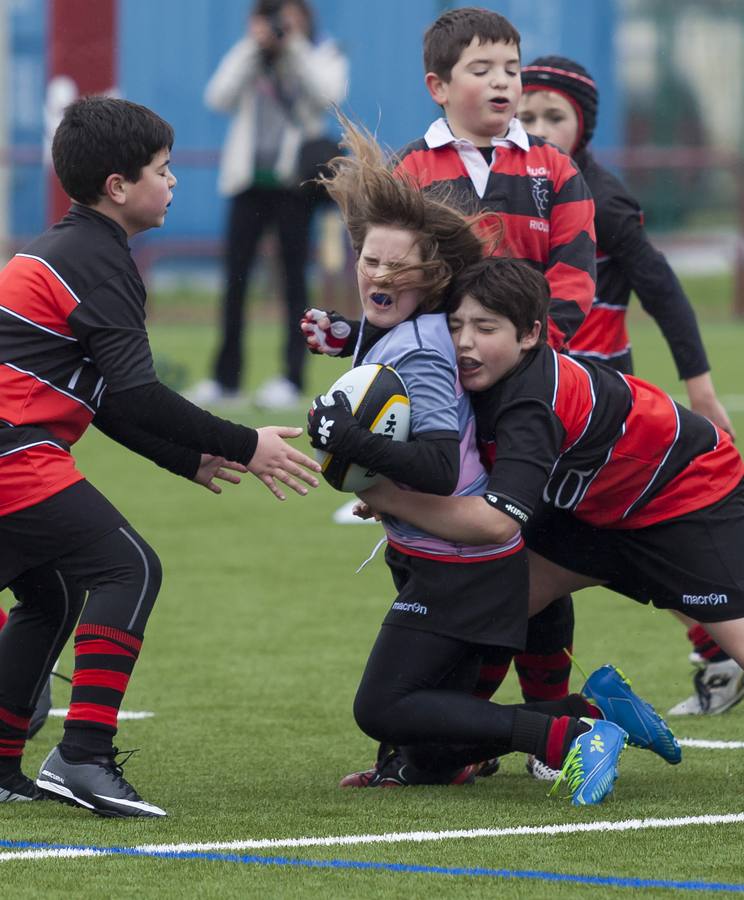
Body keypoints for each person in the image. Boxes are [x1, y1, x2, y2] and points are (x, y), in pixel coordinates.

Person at [302, 120, 678, 806]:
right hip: (441, 553)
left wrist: (348, 446)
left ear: (432, 274)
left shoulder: (418, 350)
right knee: (423, 732)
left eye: (396, 264)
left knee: (383, 705)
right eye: (368, 258)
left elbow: (440, 467)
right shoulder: (401, 332)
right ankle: (590, 717)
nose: (378, 273)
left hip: (463, 563)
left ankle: (566, 739)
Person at [0, 96, 320, 815]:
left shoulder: (72, 248)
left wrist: (187, 460)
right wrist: (247, 443)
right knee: (130, 567)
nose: (174, 184)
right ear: (119, 186)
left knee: (49, 594)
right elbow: (140, 395)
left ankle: (2, 765)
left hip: (14, 445)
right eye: (163, 170)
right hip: (11, 448)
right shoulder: (96, 257)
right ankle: (81, 756)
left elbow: (107, 397)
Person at [311, 6, 594, 738]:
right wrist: (354, 338)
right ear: (439, 85)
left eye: (511, 67)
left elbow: (574, 281)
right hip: (449, 390)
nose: (504, 82)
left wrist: (523, 360)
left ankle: (540, 721)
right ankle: (461, 731)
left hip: (527, 387)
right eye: (483, 69)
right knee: (431, 536)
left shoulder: (554, 169)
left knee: (529, 546)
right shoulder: (413, 168)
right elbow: (397, 296)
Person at [356, 258, 744, 725]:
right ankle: (487, 739)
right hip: (593, 510)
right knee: (492, 604)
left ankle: (505, 733)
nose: (464, 342)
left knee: (737, 639)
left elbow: (497, 522)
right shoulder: (474, 374)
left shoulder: (532, 405)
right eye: (456, 324)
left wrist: (387, 496)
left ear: (529, 334)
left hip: (686, 495)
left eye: (485, 327)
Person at [517, 56, 740, 719]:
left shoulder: (599, 196)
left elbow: (661, 286)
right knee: (566, 542)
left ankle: (712, 649)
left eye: (555, 117)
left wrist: (700, 388)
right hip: (540, 398)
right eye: (526, 116)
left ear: (583, 127)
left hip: (597, 412)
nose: (538, 129)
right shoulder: (509, 186)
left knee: (619, 540)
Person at [188, 0, 348, 410]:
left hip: (292, 185)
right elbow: (217, 97)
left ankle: (292, 378)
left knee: (294, 283)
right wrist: (251, 47)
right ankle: (226, 380)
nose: (278, 26)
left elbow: (329, 96)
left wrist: (293, 47)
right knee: (234, 283)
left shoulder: (322, 53)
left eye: (287, 18)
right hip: (246, 183)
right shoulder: (251, 57)